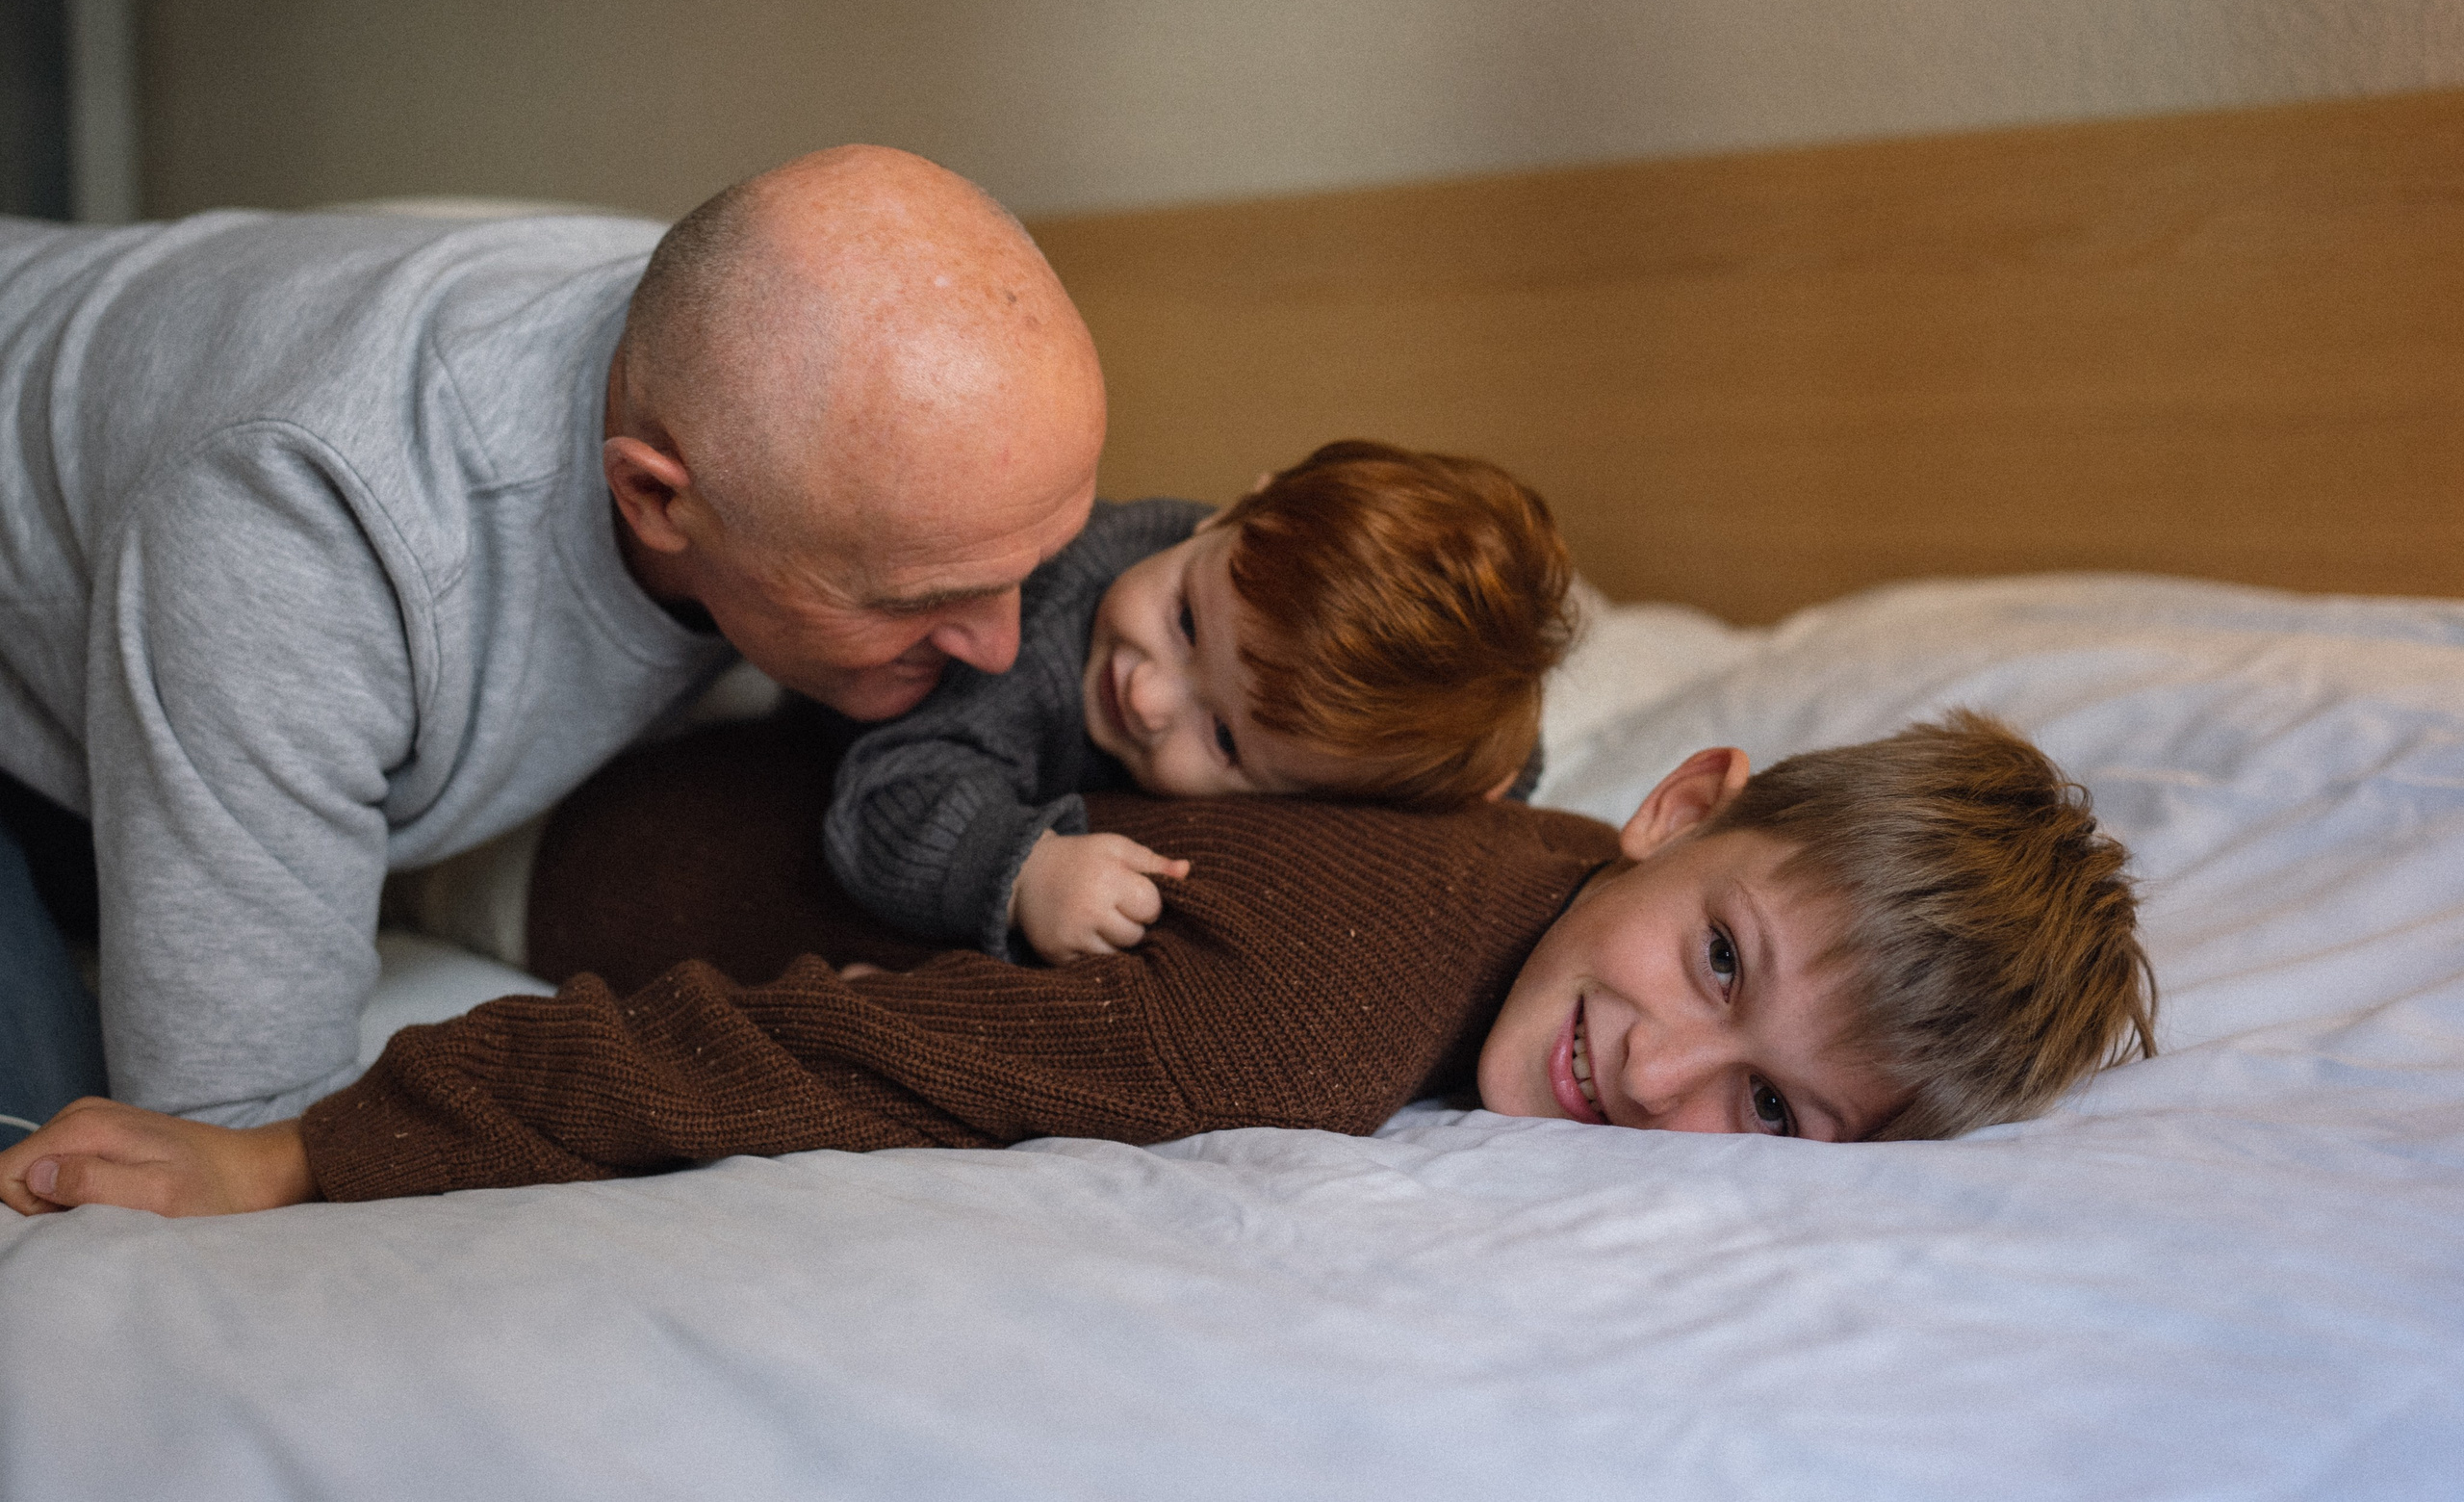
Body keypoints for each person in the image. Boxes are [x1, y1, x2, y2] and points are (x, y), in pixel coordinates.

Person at [0, 145, 1106, 1132]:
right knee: (53, 1151)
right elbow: (227, 1135)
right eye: (912, 601)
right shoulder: (304, 534)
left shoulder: (760, 368)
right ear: (659, 501)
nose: (1000, 648)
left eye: (1033, 568)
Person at [0, 711, 2159, 1216]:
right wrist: (308, 1152)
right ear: (1682, 800)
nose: (1659, 1073)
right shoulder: (1310, 1016)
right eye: (1716, 959)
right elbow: (796, 1062)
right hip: (586, 836)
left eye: (1772, 1104)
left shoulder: (1519, 818)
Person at [826, 440, 1575, 965]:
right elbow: (889, 790)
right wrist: (1026, 871)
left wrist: (1492, 771)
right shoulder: (1031, 636)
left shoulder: (1326, 705)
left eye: (1222, 737)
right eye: (1184, 620)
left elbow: (1478, 731)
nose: (1146, 695)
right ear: (1229, 513)